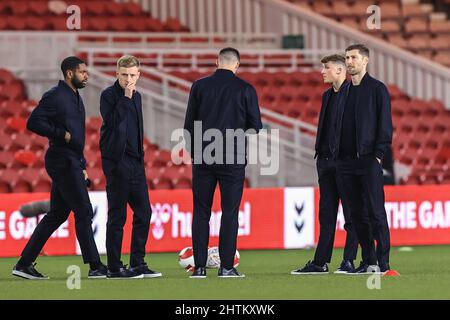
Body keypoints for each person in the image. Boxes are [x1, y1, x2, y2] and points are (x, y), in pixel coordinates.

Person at [13, 56, 106, 280]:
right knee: (83, 210)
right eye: (82, 72)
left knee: (57, 214)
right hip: (61, 160)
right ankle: (95, 266)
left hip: (71, 161)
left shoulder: (76, 97)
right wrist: (60, 134)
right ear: (69, 73)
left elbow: (78, 138)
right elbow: (33, 121)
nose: (86, 75)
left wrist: (81, 164)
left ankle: (24, 264)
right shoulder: (55, 95)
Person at [184, 47, 262, 278]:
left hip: (204, 157)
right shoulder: (246, 89)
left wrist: (196, 152)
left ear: (217, 62)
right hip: (233, 157)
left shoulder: (199, 86)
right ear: (237, 65)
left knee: (201, 211)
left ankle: (199, 267)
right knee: (230, 212)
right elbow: (255, 126)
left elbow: (189, 124)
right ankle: (226, 267)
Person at [291, 54, 358, 275]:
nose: (322, 71)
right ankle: (320, 262)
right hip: (326, 163)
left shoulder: (355, 94)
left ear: (340, 71)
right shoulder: (326, 95)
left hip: (347, 163)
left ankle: (349, 261)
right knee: (326, 215)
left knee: (351, 215)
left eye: (326, 68)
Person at [100, 55, 161, 279]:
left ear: (139, 75)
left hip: (135, 162)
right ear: (116, 74)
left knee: (144, 212)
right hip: (117, 162)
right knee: (117, 216)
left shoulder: (139, 96)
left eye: (132, 75)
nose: (128, 79)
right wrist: (126, 97)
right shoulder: (108, 95)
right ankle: (114, 268)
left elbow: (137, 129)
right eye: (124, 75)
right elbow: (115, 124)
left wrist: (141, 158)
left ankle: (137, 263)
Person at [336, 44, 393, 274]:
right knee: (356, 215)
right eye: (347, 57)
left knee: (376, 212)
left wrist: (378, 156)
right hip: (346, 163)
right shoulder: (344, 92)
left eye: (353, 57)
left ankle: (384, 263)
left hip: (369, 160)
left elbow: (385, 124)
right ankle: (369, 262)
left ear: (365, 61)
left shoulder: (378, 89)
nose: (349, 61)